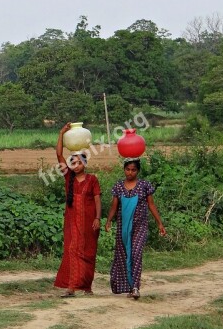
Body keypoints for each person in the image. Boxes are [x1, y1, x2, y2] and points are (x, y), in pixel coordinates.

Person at [105, 158, 166, 300]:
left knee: (136, 253)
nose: (130, 172)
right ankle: (128, 286)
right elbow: (114, 206)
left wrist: (159, 223)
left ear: (138, 171)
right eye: (128, 169)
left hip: (140, 226)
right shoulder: (119, 186)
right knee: (124, 255)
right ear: (124, 169)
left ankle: (135, 287)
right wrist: (108, 221)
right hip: (123, 228)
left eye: (133, 170)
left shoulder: (144, 185)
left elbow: (151, 205)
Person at [54, 123, 101, 297]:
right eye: (72, 162)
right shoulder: (68, 177)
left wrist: (98, 218)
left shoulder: (92, 180)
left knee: (88, 252)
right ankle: (71, 287)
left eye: (79, 161)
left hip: (89, 223)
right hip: (72, 223)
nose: (75, 164)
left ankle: (86, 286)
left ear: (85, 163)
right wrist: (61, 133)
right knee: (72, 250)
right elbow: (59, 154)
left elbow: (97, 199)